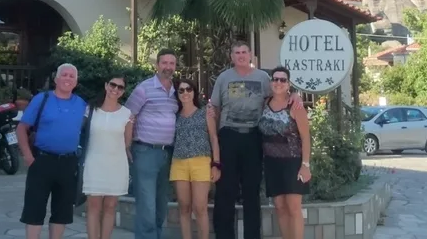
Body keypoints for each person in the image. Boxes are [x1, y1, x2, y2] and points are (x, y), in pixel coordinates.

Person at [209, 41, 303, 239]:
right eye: (237, 52)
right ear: (231, 56)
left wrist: (295, 94)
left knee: (251, 191)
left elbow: (279, 93)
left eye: (244, 52)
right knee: (226, 189)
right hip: (229, 136)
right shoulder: (223, 78)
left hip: (254, 137)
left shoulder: (263, 78)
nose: (241, 55)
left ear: (250, 55)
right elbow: (214, 108)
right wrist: (216, 139)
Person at [16, 63, 87, 239]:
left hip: (68, 163)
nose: (67, 79)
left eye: (71, 76)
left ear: (76, 81)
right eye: (64, 75)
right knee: (34, 208)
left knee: (62, 211)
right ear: (56, 79)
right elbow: (22, 128)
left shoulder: (81, 104)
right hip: (42, 161)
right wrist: (28, 156)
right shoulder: (42, 99)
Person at [125, 48, 180, 239]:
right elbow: (129, 116)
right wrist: (127, 146)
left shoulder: (177, 90)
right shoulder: (144, 88)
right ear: (157, 65)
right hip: (145, 151)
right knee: (147, 204)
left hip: (167, 153)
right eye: (164, 63)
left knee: (161, 204)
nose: (168, 67)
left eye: (171, 63)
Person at [257, 66, 311, 239]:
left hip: (293, 162)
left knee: (293, 207)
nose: (278, 82)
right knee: (279, 206)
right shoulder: (264, 103)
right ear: (271, 82)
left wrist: (305, 165)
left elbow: (306, 137)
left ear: (288, 84)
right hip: (271, 162)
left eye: (283, 80)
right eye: (275, 79)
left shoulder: (295, 106)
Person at [82, 75, 135, 239]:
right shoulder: (90, 109)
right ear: (106, 86)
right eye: (113, 85)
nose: (115, 89)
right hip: (94, 162)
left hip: (116, 164)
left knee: (111, 206)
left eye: (120, 87)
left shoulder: (127, 114)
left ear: (123, 91)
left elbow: (127, 143)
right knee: (93, 207)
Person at [170, 78, 221, 239]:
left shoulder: (205, 112)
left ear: (194, 92)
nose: (185, 93)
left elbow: (214, 138)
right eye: (181, 90)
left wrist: (216, 164)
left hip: (201, 162)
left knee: (200, 207)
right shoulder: (174, 116)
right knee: (184, 207)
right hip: (179, 163)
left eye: (189, 89)